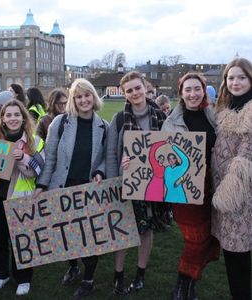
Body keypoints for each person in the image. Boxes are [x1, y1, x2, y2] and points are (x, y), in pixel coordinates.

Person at [34, 78, 108, 299]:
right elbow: (51, 158)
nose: (83, 100)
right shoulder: (60, 123)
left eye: (87, 95)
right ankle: (73, 266)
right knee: (66, 235)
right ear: (73, 100)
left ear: (93, 97)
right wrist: (42, 185)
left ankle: (88, 279)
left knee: (90, 238)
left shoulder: (104, 126)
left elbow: (105, 157)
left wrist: (100, 172)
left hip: (88, 190)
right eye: (78, 96)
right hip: (62, 187)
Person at [0, 100, 44, 296]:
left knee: (22, 241)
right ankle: (1, 274)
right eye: (9, 115)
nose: (13, 118)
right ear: (2, 119)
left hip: (21, 199)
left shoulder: (35, 141)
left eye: (16, 115)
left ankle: (23, 278)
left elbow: (37, 171)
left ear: (23, 118)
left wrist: (22, 158)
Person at [106, 71, 167, 295]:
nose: (134, 93)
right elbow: (111, 152)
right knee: (122, 230)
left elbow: (168, 149)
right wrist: (115, 180)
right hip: (126, 183)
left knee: (145, 230)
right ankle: (118, 275)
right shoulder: (119, 119)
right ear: (124, 94)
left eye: (137, 88)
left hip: (152, 184)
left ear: (145, 87)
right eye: (129, 90)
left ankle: (140, 274)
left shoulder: (161, 116)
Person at [162, 72, 220, 300]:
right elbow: (162, 160)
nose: (193, 93)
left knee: (207, 238)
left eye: (197, 89)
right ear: (181, 93)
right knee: (195, 239)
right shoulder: (171, 122)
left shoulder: (214, 116)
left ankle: (188, 286)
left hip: (213, 186)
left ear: (204, 91)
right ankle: (181, 286)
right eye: (188, 90)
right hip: (184, 189)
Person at [211, 57, 252, 300]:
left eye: (241, 77)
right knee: (232, 256)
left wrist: (224, 198)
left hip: (237, 199)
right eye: (231, 77)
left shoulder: (250, 112)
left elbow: (245, 158)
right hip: (222, 192)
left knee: (238, 256)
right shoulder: (227, 110)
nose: (235, 82)